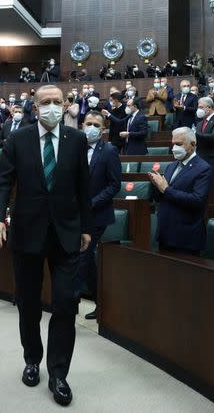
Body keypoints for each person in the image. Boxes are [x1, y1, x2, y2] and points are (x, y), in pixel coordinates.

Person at [0, 85, 92, 407]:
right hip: (27, 233)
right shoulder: (18, 138)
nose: (51, 107)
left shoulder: (77, 139)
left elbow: (83, 188)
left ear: (66, 105)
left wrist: (86, 228)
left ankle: (58, 373)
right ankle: (32, 358)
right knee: (28, 303)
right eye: (44, 102)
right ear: (35, 108)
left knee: (65, 304)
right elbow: (4, 181)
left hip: (66, 234)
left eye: (56, 102)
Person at [76, 111, 120, 321]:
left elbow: (114, 185)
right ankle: (102, 303)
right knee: (86, 261)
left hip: (97, 214)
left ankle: (71, 300)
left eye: (96, 125)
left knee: (83, 257)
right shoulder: (75, 149)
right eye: (88, 124)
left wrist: (91, 204)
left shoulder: (109, 150)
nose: (91, 127)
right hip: (75, 214)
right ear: (82, 125)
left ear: (103, 130)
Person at [148, 127, 211, 255]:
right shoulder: (171, 166)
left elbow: (197, 200)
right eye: (173, 144)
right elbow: (162, 197)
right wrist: (156, 185)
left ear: (193, 144)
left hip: (185, 238)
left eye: (179, 144)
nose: (174, 148)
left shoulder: (203, 168)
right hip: (165, 234)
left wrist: (165, 189)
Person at [194, 97, 214, 203]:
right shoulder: (199, 124)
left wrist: (195, 134)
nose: (198, 110)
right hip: (200, 165)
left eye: (200, 107)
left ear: (209, 108)